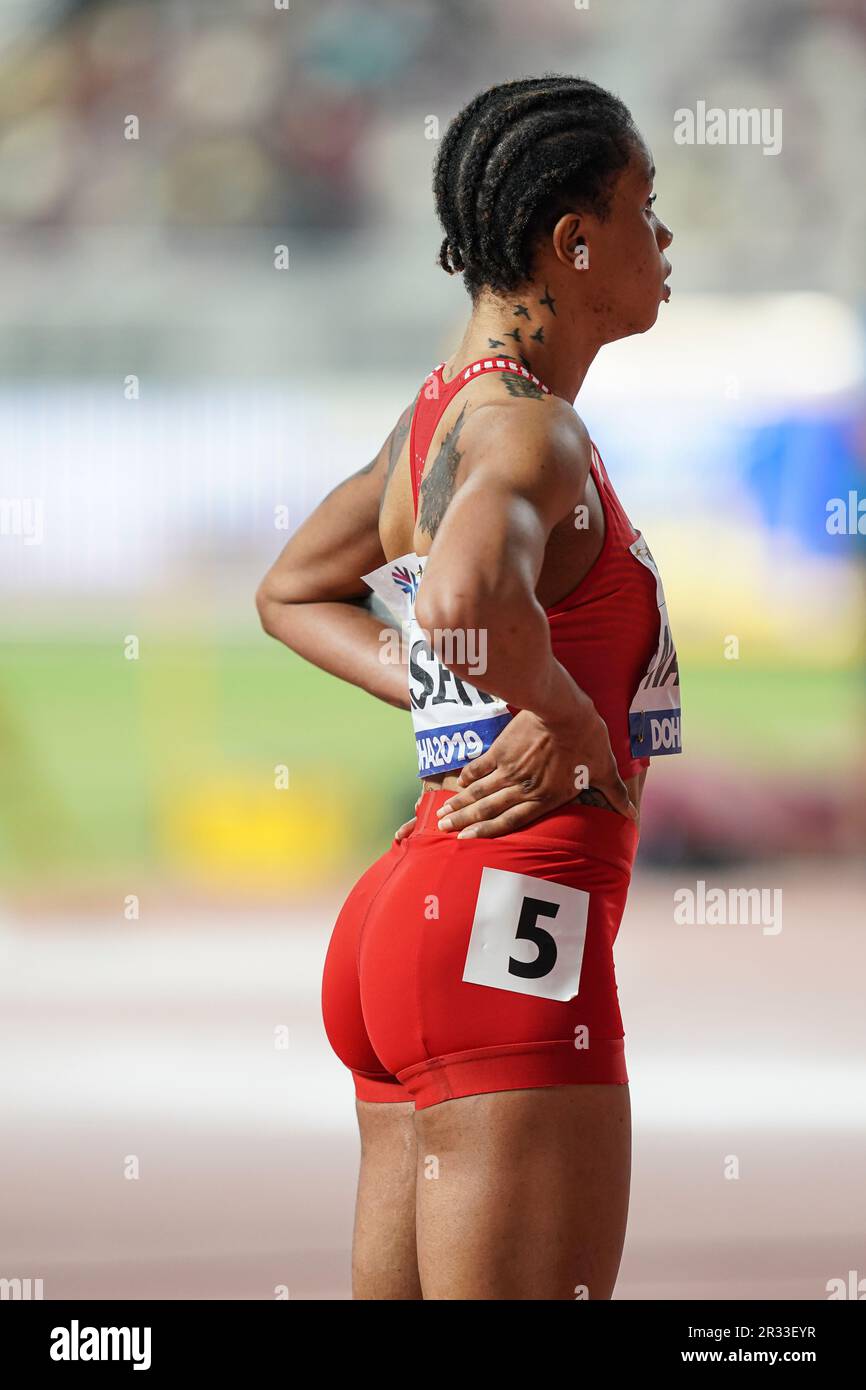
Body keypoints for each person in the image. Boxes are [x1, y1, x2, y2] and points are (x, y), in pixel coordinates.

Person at [256, 74, 680, 1300]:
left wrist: (468, 696)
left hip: (414, 918)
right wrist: (556, 709)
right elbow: (456, 598)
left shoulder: (429, 423)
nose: (664, 242)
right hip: (511, 932)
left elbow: (292, 592)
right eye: (645, 207)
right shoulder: (523, 432)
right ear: (572, 239)